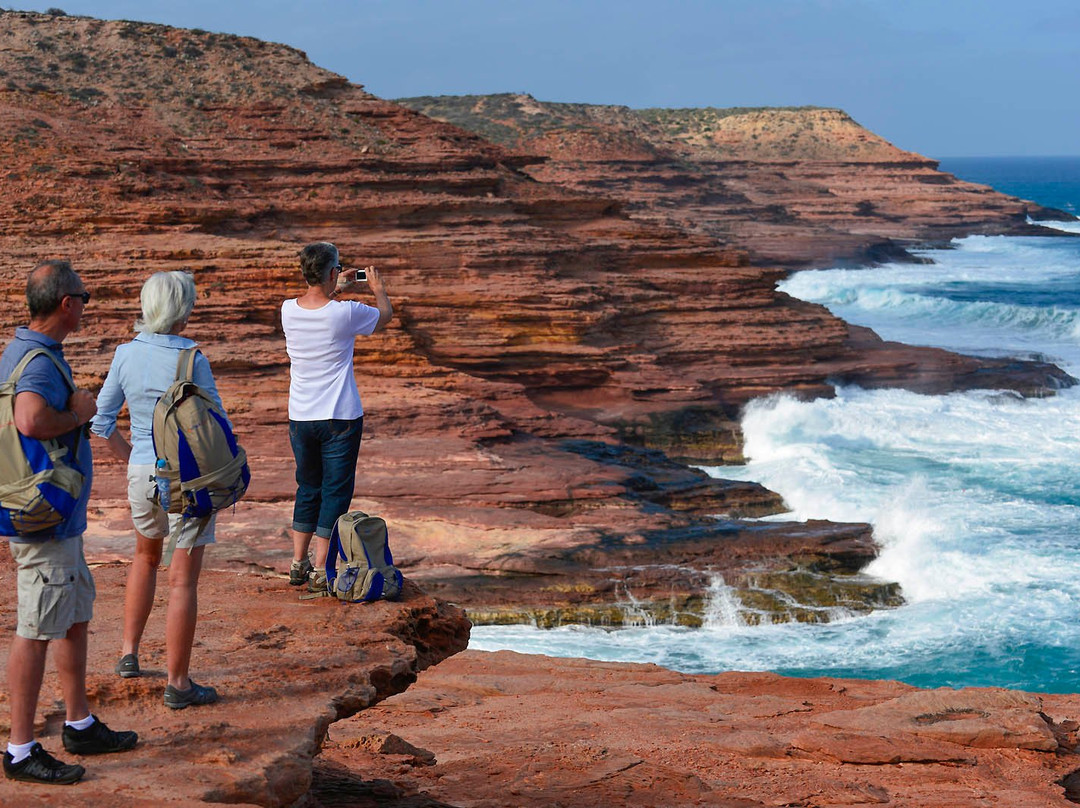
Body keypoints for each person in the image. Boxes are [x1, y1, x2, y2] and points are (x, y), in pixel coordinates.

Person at [1, 260, 138, 786]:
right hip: (42, 520)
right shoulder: (35, 361)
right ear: (66, 305)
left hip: (56, 518)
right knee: (35, 629)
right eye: (84, 296)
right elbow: (30, 420)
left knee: (73, 613)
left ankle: (78, 722)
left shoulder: (29, 351)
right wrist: (80, 414)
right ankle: (19, 750)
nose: (86, 303)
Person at [90, 271, 221, 709]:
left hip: (141, 470)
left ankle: (129, 653)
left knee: (145, 558)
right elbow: (216, 424)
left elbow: (101, 423)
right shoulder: (192, 358)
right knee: (182, 580)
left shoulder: (126, 354)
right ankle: (178, 683)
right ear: (182, 309)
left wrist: (133, 459)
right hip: (185, 479)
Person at [281, 242, 392, 592]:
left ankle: (297, 563)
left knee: (308, 487)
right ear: (331, 272)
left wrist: (334, 284)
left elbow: (317, 300)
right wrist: (378, 290)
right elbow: (385, 317)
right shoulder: (345, 313)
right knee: (335, 492)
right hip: (339, 417)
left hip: (300, 416)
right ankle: (320, 568)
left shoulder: (287, 309)